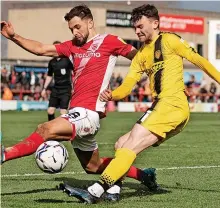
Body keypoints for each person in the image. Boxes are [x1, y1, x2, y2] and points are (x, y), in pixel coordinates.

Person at [61, 4, 220, 204]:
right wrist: (112, 95)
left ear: (155, 24)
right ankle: (115, 190)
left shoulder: (170, 40)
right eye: (135, 28)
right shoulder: (141, 55)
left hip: (172, 105)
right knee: (122, 144)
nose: (137, 31)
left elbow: (201, 62)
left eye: (141, 26)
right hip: (162, 107)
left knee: (132, 143)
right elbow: (127, 86)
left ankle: (95, 190)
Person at [0, 4, 158, 201]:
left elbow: (140, 57)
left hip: (89, 113)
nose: (75, 32)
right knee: (93, 166)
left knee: (44, 129)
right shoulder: (72, 46)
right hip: (77, 112)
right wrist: (14, 36)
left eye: (77, 27)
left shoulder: (109, 41)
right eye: (71, 29)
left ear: (90, 22)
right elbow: (41, 49)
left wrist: (156, 75)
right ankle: (145, 175)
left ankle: (5, 154)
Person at [41, 41, 73, 121]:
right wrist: (44, 88)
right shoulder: (52, 62)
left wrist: (74, 87)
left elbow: (74, 73)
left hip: (66, 89)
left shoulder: (67, 60)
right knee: (50, 111)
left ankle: (65, 130)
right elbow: (49, 76)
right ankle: (52, 129)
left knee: (63, 112)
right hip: (56, 89)